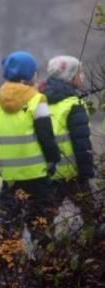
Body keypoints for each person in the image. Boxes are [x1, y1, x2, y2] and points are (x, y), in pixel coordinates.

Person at [0, 52, 60, 244]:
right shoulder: (37, 99)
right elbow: (45, 135)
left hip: (9, 175)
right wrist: (53, 158)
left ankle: (6, 258)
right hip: (36, 174)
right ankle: (47, 262)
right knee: (41, 220)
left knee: (10, 220)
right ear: (30, 75)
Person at [43, 56, 95, 216]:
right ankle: (93, 240)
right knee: (91, 214)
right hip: (73, 173)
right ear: (70, 76)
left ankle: (42, 241)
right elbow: (81, 142)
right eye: (80, 73)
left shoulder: (40, 101)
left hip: (49, 171)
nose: (83, 76)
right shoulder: (74, 104)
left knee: (46, 217)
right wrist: (86, 171)